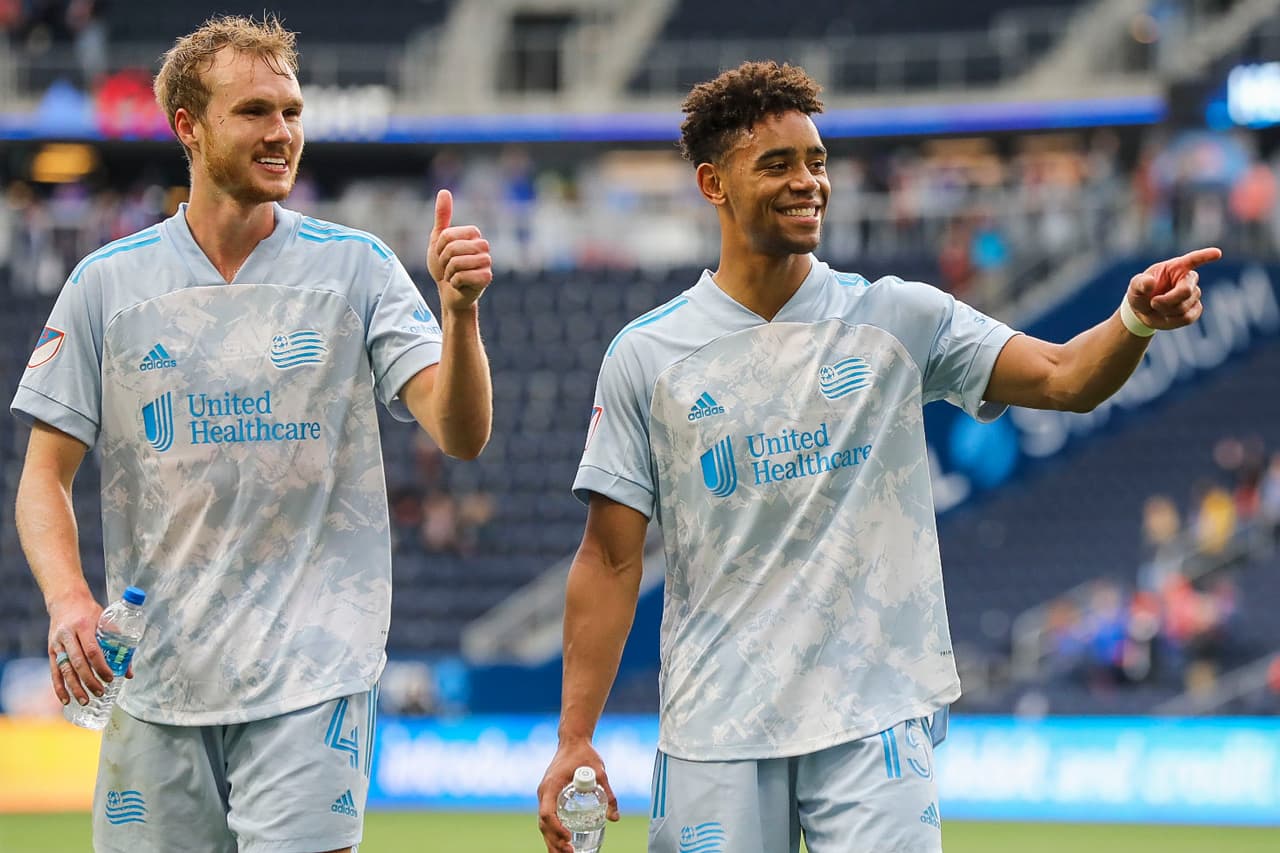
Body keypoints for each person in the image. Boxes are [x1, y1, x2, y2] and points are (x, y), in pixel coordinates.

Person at [536, 60, 1219, 853]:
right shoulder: (647, 356)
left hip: (875, 716)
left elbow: (1065, 377)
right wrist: (574, 736)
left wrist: (1133, 320)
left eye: (817, 161)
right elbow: (610, 559)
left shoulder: (897, 316)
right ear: (713, 184)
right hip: (716, 722)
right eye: (778, 164)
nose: (808, 182)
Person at [12, 15, 493, 853]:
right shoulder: (106, 287)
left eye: (292, 111)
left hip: (313, 673)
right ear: (188, 127)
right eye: (255, 111)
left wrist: (460, 318)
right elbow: (42, 477)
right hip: (156, 680)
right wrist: (67, 600)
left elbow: (460, 432)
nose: (282, 132)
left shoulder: (358, 269)